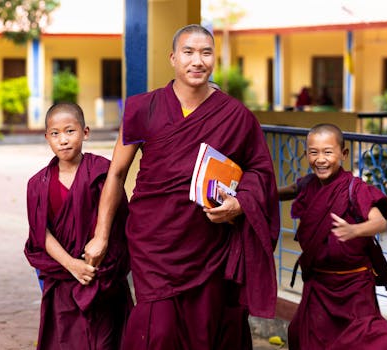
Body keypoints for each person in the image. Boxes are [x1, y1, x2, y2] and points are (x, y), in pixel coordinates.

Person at [84, 24, 280, 350]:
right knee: (155, 332)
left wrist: (240, 203)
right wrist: (101, 235)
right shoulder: (142, 108)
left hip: (209, 244)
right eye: (188, 52)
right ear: (173, 58)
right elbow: (117, 174)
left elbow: (259, 171)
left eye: (205, 53)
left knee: (205, 331)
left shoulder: (236, 116)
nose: (197, 61)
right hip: (154, 241)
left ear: (214, 59)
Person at [278, 123, 387, 349]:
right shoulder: (308, 184)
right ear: (306, 155)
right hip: (319, 285)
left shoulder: (355, 188)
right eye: (314, 152)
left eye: (328, 152)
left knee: (369, 339)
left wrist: (354, 230)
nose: (320, 159)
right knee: (301, 334)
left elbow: (379, 222)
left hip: (353, 287)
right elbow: (283, 191)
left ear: (343, 154)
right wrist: (246, 195)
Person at [24, 102, 132, 350]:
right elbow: (41, 234)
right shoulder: (37, 184)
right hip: (63, 277)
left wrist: (91, 266)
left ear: (85, 132)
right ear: (47, 138)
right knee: (67, 340)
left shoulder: (101, 173)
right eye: (55, 133)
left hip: (99, 276)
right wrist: (72, 265)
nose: (63, 140)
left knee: (105, 340)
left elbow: (118, 226)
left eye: (70, 131)